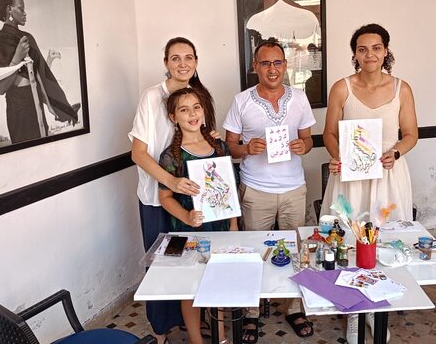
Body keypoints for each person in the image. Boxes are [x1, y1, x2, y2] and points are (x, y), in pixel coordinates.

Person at [319, 23, 418, 343]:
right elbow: (329, 133)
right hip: (351, 178)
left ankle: (375, 309)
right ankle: (352, 312)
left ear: (386, 51)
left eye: (376, 48)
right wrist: (338, 155)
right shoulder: (341, 88)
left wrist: (396, 152)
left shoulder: (402, 88)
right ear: (355, 54)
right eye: (362, 49)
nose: (370, 54)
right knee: (348, 240)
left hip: (387, 177)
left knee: (382, 242)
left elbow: (411, 134)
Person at [223, 40, 315, 343]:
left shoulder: (299, 98)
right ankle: (251, 311)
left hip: (293, 188)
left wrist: (303, 145)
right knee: (253, 251)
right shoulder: (241, 101)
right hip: (256, 189)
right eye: (265, 63)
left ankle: (293, 308)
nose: (272, 69)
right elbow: (230, 146)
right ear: (255, 67)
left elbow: (308, 139)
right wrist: (246, 149)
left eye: (277, 62)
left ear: (285, 65)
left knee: (295, 251)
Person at [129, 37, 216, 344]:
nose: (183, 64)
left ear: (196, 61)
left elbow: (201, 136)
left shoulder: (199, 95)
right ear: (166, 63)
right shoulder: (152, 96)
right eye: (175, 58)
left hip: (191, 201)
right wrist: (171, 181)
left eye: (188, 57)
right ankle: (160, 330)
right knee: (162, 265)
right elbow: (138, 153)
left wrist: (212, 138)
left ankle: (190, 324)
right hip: (158, 197)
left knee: (192, 264)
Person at [159, 88, 238, 344]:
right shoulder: (171, 156)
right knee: (190, 287)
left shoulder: (219, 146)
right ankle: (196, 339)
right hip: (188, 231)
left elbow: (230, 190)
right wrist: (187, 216)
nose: (192, 114)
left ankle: (221, 337)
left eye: (196, 107)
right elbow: (165, 198)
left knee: (220, 281)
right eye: (184, 110)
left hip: (220, 228)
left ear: (203, 110)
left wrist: (234, 224)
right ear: (173, 117)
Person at [0, 0, 80, 143]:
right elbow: (0, 89)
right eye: (21, 9)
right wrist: (16, 58)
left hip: (36, 105)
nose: (25, 13)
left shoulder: (28, 38)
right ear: (9, 9)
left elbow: (44, 75)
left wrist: (63, 109)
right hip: (18, 109)